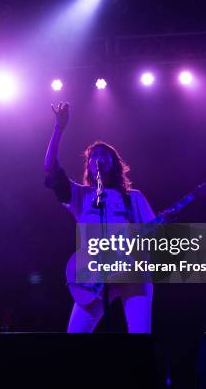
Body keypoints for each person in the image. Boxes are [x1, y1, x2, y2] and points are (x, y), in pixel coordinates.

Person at [44, 102, 155, 333]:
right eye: (93, 156)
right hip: (94, 275)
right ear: (88, 166)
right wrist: (59, 129)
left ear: (115, 163)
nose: (98, 159)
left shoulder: (134, 198)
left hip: (133, 272)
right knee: (75, 336)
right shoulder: (81, 195)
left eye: (104, 155)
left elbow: (153, 234)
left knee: (140, 337)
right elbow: (51, 168)